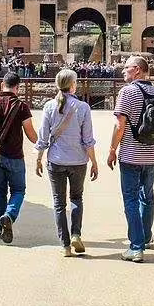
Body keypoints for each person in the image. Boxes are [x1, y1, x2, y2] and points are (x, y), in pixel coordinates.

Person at [107, 56, 154, 263]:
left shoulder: (127, 92)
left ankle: (136, 247)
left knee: (130, 199)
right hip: (151, 156)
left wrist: (112, 150)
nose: (123, 71)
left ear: (137, 70)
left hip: (130, 155)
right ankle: (145, 237)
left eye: (126, 68)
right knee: (147, 196)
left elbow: (120, 125)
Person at [35, 69, 98, 256]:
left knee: (59, 203)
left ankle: (65, 246)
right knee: (76, 198)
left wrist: (38, 158)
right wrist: (94, 161)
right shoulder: (83, 107)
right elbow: (88, 139)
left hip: (56, 160)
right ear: (72, 85)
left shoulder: (48, 107)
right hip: (78, 161)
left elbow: (43, 138)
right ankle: (76, 234)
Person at [0, 72, 38, 244]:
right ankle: (9, 216)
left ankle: (0, 227)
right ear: (18, 87)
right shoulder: (21, 106)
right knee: (18, 190)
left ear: (2, 84)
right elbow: (30, 133)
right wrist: (41, 144)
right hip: (15, 156)